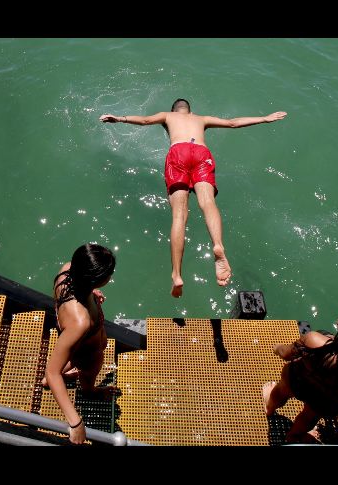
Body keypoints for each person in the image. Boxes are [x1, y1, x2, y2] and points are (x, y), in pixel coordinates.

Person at [100, 99, 287, 298]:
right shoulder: (201, 119)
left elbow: (145, 120)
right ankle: (217, 244)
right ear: (190, 111)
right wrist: (264, 118)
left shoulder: (168, 116)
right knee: (208, 203)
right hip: (201, 152)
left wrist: (119, 118)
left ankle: (177, 274)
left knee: (179, 215)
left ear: (174, 111)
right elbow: (233, 123)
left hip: (178, 153)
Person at [262, 301, 338, 443]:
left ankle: (270, 408)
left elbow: (286, 354)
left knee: (282, 390)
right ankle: (293, 436)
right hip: (326, 401)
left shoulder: (315, 340)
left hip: (298, 381)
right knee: (310, 417)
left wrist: (277, 348)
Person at [43, 243, 116, 444]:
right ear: (95, 279)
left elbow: (72, 297)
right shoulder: (80, 323)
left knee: (67, 361)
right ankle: (90, 391)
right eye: (109, 274)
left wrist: (91, 294)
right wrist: (75, 423)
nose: (111, 276)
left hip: (78, 344)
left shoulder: (67, 271)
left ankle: (58, 378)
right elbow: (52, 371)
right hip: (87, 355)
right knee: (86, 377)